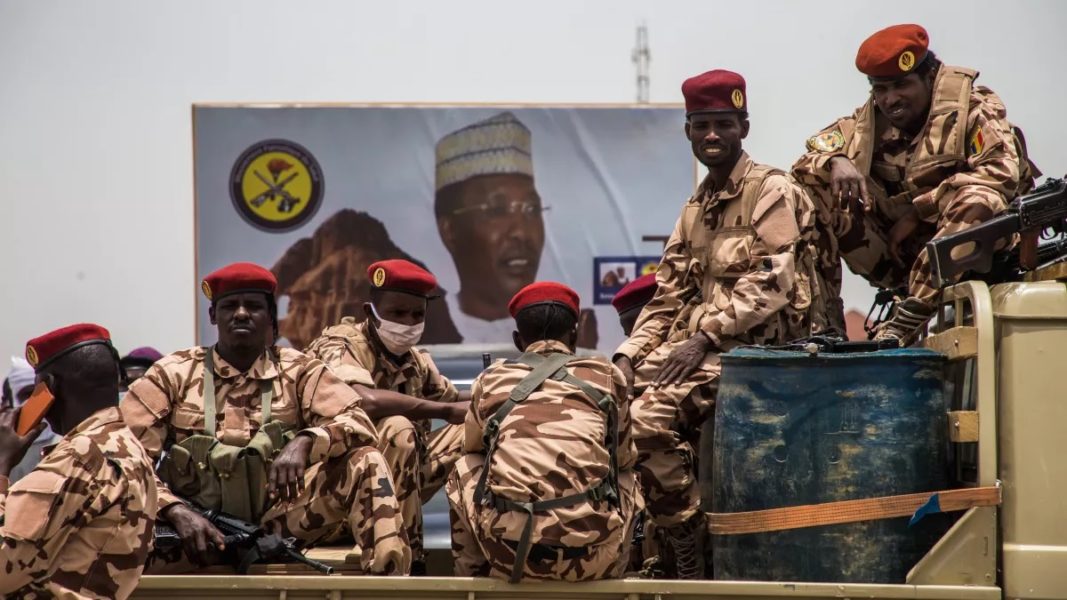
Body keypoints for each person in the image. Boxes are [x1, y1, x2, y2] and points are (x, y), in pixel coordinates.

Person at [614, 69, 817, 578]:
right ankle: (646, 537)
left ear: (743, 127)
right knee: (607, 403)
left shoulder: (771, 190)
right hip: (705, 351)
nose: (711, 135)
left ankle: (687, 539)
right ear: (687, 131)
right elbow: (668, 297)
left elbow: (774, 280)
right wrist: (625, 358)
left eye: (723, 124)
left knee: (645, 420)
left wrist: (703, 336)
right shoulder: (695, 209)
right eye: (701, 125)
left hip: (762, 353)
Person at [120, 262, 410, 575]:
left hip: (280, 525)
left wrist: (306, 441)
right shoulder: (173, 373)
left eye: (254, 306)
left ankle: (389, 582)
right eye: (230, 305)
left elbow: (358, 422)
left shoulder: (298, 370)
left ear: (270, 316)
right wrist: (174, 509)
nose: (242, 313)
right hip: (197, 531)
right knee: (113, 534)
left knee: (365, 461)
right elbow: (124, 457)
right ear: (213, 316)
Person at [791, 23, 1036, 344]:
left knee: (980, 197)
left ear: (930, 78)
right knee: (808, 194)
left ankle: (909, 317)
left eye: (901, 85)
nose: (891, 99)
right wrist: (835, 161)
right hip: (903, 261)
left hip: (981, 253)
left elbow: (1000, 174)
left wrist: (920, 211)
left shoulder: (973, 112)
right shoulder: (868, 124)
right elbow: (803, 164)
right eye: (880, 89)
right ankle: (826, 328)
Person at [447, 281, 639, 582]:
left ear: (517, 340)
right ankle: (618, 574)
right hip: (593, 561)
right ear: (574, 336)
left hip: (512, 559)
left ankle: (472, 577)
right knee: (629, 476)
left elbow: (472, 447)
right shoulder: (607, 376)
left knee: (464, 467)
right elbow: (624, 458)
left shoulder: (491, 379)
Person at [304, 258, 467, 573]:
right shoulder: (340, 343)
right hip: (341, 492)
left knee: (474, 428)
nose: (407, 323)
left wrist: (505, 391)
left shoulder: (415, 360)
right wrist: (444, 410)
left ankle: (479, 556)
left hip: (397, 486)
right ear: (370, 311)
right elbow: (360, 399)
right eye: (397, 313)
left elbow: (452, 398)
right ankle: (406, 564)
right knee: (398, 428)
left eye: (417, 315)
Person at [1, 323, 157, 599]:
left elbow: (5, 568)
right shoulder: (128, 447)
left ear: (48, 388)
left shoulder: (80, 455)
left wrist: (1, 465)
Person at [4, 357, 60, 482]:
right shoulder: (5, 453)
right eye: (28, 394)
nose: (34, 404)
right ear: (9, 402)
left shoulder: (66, 443)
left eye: (40, 396)